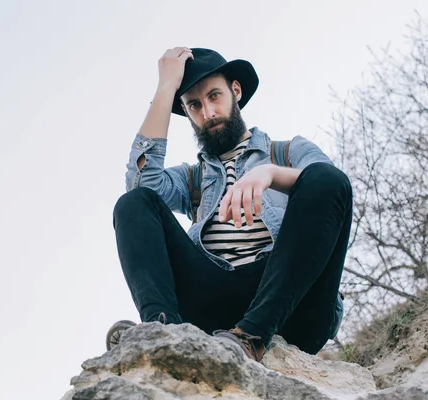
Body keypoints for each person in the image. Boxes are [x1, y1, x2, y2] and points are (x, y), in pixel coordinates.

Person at [108, 47, 353, 362]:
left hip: (295, 304)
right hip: (215, 302)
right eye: (194, 105)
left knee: (324, 178)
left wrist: (270, 174)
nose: (207, 113)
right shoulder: (192, 180)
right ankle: (161, 334)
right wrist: (166, 89)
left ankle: (252, 335)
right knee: (134, 202)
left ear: (235, 91)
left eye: (214, 96)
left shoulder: (289, 152)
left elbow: (334, 189)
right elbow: (140, 186)